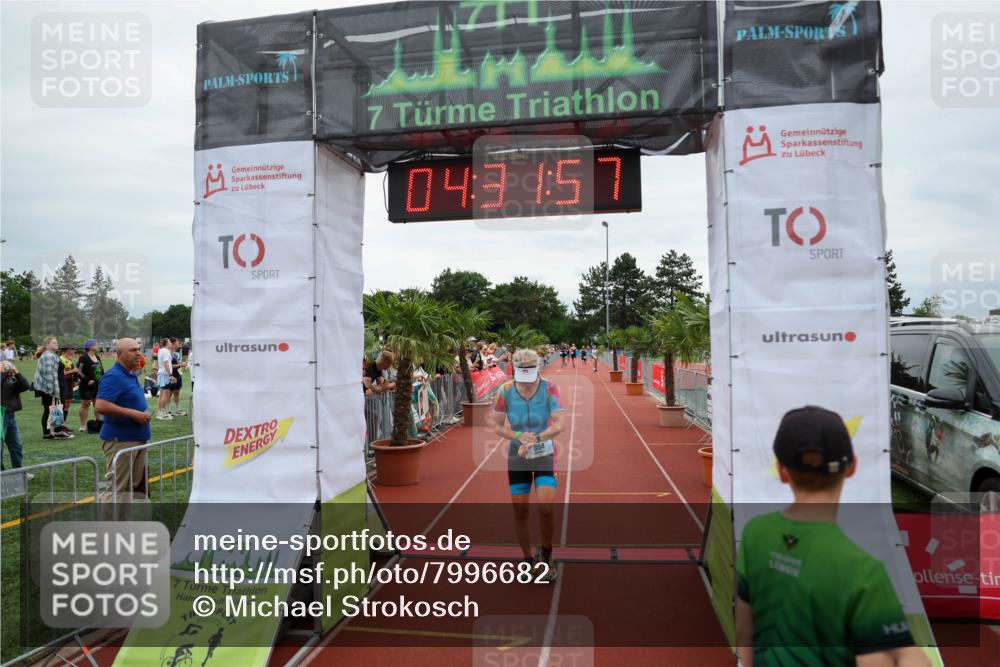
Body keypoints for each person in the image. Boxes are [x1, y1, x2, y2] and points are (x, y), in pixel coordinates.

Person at [736, 406, 929, 667]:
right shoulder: (863, 571)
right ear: (851, 466)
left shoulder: (754, 533)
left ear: (781, 470)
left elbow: (744, 631)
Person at [490, 348, 566, 583]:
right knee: (520, 510)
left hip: (544, 452)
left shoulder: (549, 388)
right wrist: (518, 437)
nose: (526, 381)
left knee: (546, 506)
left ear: (537, 369)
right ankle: (527, 559)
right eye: (521, 373)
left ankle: (547, 552)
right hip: (518, 454)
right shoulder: (505, 390)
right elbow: (497, 425)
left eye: (529, 373)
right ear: (514, 370)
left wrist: (537, 439)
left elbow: (560, 423)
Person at [95, 338, 152, 501]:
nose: (138, 353)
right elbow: (101, 406)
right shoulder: (114, 376)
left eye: (138, 349)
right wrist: (133, 414)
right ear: (119, 354)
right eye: (132, 350)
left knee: (129, 489)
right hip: (120, 440)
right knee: (117, 489)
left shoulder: (130, 373)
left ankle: (122, 518)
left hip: (135, 438)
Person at [33, 337, 72, 439]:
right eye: (54, 343)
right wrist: (52, 390)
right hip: (51, 388)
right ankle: (56, 432)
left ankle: (50, 433)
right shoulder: (49, 356)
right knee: (53, 409)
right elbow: (48, 374)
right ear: (47, 345)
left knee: (53, 409)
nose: (56, 344)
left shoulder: (50, 355)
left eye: (56, 342)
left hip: (53, 387)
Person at [1, 360, 32, 475]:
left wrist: (16, 372)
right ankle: (1, 475)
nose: (7, 367)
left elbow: (26, 386)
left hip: (10, 416)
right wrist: (2, 373)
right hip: (1, 416)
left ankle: (18, 472)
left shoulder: (12, 380)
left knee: (16, 445)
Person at [77, 338, 105, 431]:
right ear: (90, 347)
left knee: (97, 404)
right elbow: (79, 371)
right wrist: (87, 380)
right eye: (96, 344)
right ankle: (83, 425)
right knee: (86, 404)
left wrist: (103, 379)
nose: (97, 346)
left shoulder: (98, 357)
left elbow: (101, 370)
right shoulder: (83, 358)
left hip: (98, 385)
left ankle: (99, 423)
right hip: (86, 386)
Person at [59, 343, 81, 432]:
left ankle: (62, 425)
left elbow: (73, 371)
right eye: (72, 349)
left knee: (68, 403)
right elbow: (60, 374)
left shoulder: (69, 359)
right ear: (66, 350)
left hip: (68, 383)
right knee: (62, 405)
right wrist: (73, 371)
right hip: (62, 384)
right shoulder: (60, 359)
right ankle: (59, 426)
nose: (74, 351)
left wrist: (75, 380)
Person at [155, 338, 176, 420]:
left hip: (161, 373)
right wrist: (170, 375)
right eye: (170, 342)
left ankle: (160, 412)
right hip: (165, 374)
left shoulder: (161, 350)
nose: (171, 343)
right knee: (165, 395)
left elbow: (169, 359)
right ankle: (163, 414)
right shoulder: (165, 351)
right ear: (167, 343)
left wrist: (172, 349)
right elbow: (166, 363)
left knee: (161, 395)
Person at [169, 337, 187, 417]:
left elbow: (177, 364)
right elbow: (169, 365)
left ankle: (178, 410)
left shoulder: (176, 353)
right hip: (172, 374)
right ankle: (168, 410)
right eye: (177, 342)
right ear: (172, 343)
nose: (178, 343)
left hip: (178, 374)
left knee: (177, 393)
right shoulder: (168, 353)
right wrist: (180, 365)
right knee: (169, 393)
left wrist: (182, 365)